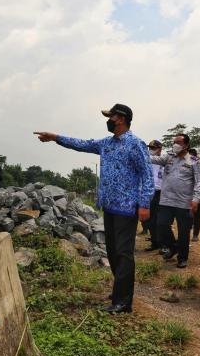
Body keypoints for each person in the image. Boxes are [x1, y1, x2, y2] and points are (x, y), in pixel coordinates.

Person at [34, 103, 154, 314]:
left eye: (112, 117)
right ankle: (120, 289)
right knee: (113, 252)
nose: (108, 120)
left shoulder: (136, 144)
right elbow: (81, 144)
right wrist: (55, 137)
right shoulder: (106, 143)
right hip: (109, 206)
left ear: (122, 119)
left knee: (124, 253)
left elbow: (147, 175)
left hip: (127, 208)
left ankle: (123, 302)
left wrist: (144, 204)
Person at [150, 134, 200, 268]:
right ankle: (173, 247)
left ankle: (182, 258)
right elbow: (153, 159)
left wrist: (196, 199)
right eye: (174, 142)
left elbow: (199, 182)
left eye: (178, 142)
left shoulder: (193, 160)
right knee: (161, 225)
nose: (175, 145)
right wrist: (139, 152)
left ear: (186, 145)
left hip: (184, 202)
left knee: (184, 232)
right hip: (166, 200)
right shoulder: (168, 157)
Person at [143, 140, 164, 251]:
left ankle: (162, 243)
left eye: (153, 148)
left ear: (160, 149)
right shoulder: (147, 160)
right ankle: (155, 242)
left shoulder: (165, 160)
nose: (151, 150)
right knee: (150, 219)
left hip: (161, 193)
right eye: (150, 148)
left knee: (160, 220)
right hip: (149, 192)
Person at [188, 148, 200, 242]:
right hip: (186, 195)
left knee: (196, 216)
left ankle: (195, 234)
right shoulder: (185, 166)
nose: (190, 157)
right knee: (188, 216)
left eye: (193, 155)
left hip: (197, 195)